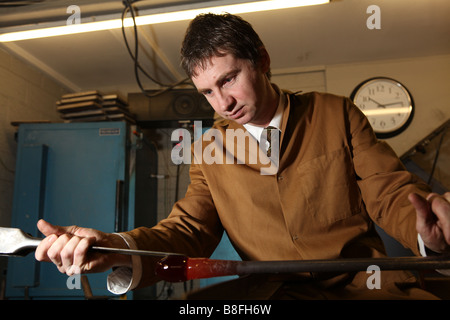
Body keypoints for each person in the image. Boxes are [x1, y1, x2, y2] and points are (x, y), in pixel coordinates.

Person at [35, 13, 450, 299]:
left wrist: (428, 222)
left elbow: (389, 189)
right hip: (273, 295)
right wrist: (118, 247)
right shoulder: (208, 151)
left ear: (262, 61)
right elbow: (187, 230)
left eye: (228, 79)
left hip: (366, 287)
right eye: (208, 92)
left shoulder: (335, 112)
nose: (223, 103)